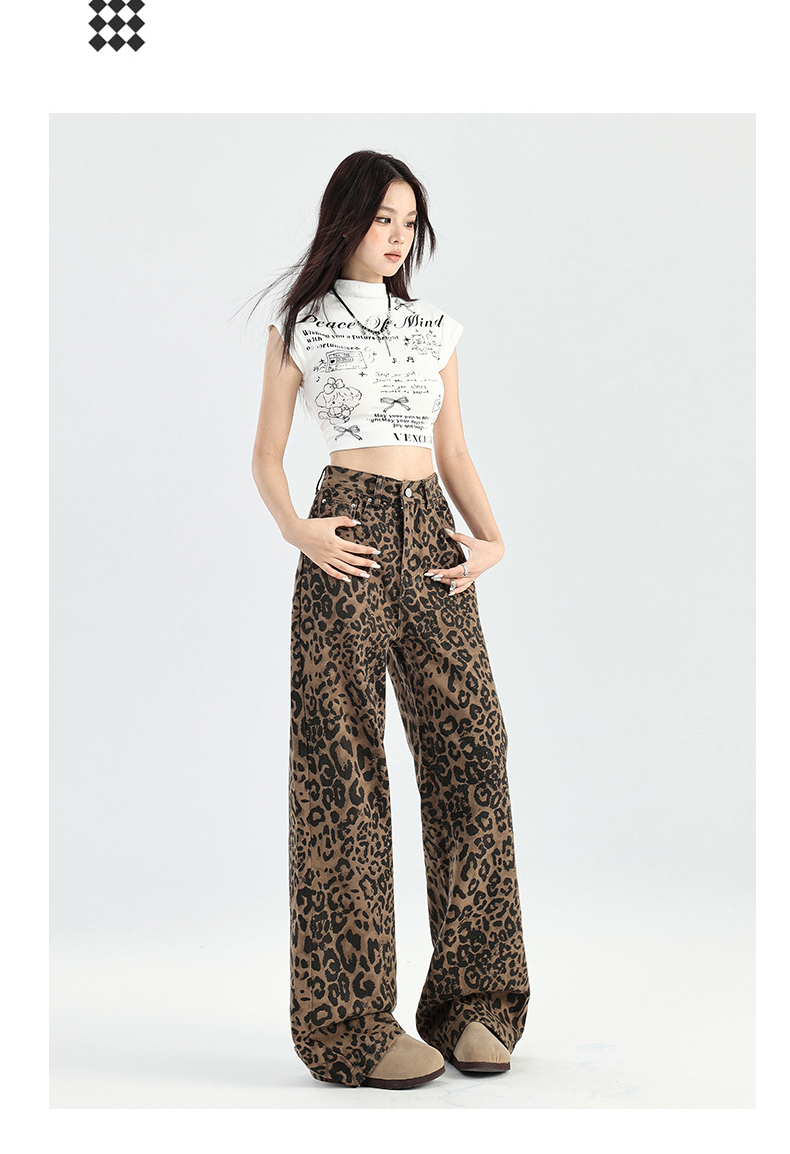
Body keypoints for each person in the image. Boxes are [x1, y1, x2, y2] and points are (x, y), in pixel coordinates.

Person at [250, 150, 530, 1090]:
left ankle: (477, 1004)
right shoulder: (301, 325)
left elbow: (454, 451)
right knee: (341, 770)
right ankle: (352, 1023)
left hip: (434, 542)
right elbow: (266, 453)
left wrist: (492, 541)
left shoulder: (433, 327)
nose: (399, 235)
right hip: (348, 534)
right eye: (384, 219)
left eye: (410, 221)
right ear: (348, 219)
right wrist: (297, 529)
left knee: (473, 752)